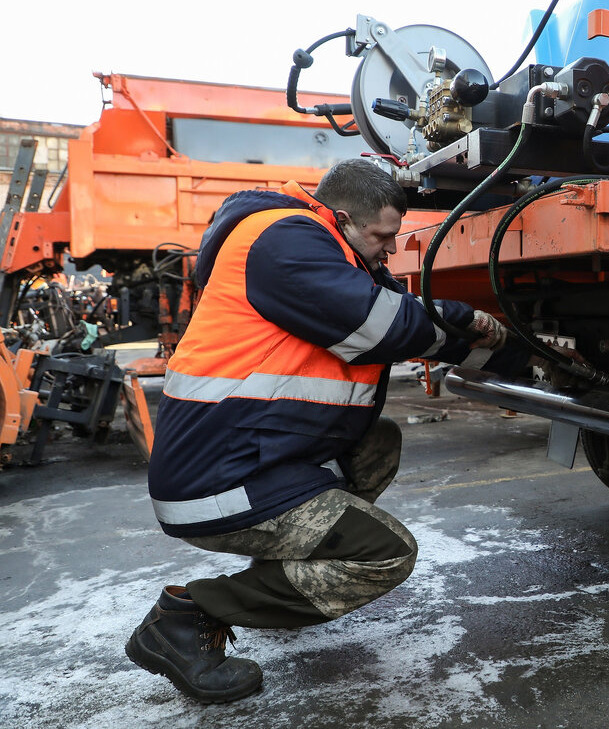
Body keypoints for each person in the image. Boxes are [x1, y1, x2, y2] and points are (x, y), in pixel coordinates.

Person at [125, 158, 528, 703]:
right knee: (386, 553)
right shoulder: (280, 239)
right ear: (342, 218)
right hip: (217, 480)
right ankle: (186, 617)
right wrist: (454, 318)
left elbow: (407, 314)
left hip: (250, 455)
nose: (389, 251)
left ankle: (284, 572)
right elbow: (383, 324)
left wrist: (517, 356)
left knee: (378, 440)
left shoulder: (329, 249)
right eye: (382, 237)